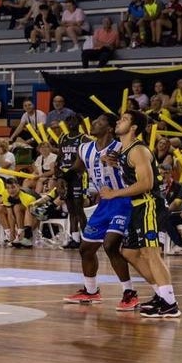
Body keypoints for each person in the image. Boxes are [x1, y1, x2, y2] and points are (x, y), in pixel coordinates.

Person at [101, 110, 181, 318]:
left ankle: (170, 303)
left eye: (125, 119)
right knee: (128, 252)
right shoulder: (126, 151)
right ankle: (160, 294)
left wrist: (114, 194)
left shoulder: (138, 150)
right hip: (137, 207)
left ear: (134, 127)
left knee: (150, 252)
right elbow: (132, 172)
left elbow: (146, 183)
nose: (119, 121)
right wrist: (116, 164)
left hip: (148, 205)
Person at [61, 114, 139, 311]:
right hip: (104, 203)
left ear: (110, 128)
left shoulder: (122, 147)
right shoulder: (84, 147)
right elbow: (76, 169)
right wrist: (63, 179)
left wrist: (119, 162)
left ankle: (129, 292)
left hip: (123, 200)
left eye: (99, 121)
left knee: (111, 245)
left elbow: (137, 170)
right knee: (85, 249)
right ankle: (91, 291)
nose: (93, 122)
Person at [56, 114, 91, 249]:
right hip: (65, 176)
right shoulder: (63, 138)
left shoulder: (84, 139)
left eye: (74, 120)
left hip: (78, 176)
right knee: (70, 209)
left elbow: (84, 161)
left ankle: (87, 239)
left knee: (78, 208)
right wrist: (58, 176)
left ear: (80, 123)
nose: (71, 123)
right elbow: (59, 158)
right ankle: (74, 239)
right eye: (69, 120)